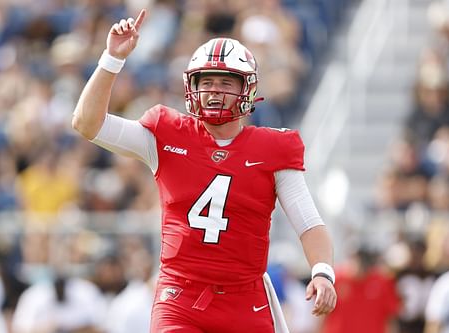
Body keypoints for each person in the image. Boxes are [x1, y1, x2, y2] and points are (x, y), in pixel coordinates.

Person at [72, 8, 336, 332]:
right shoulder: (167, 135)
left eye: (226, 82)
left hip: (244, 300)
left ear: (247, 90)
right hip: (179, 296)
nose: (213, 90)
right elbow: (87, 123)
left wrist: (322, 271)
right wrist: (112, 59)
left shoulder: (273, 149)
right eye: (206, 81)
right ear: (190, 85)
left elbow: (308, 222)